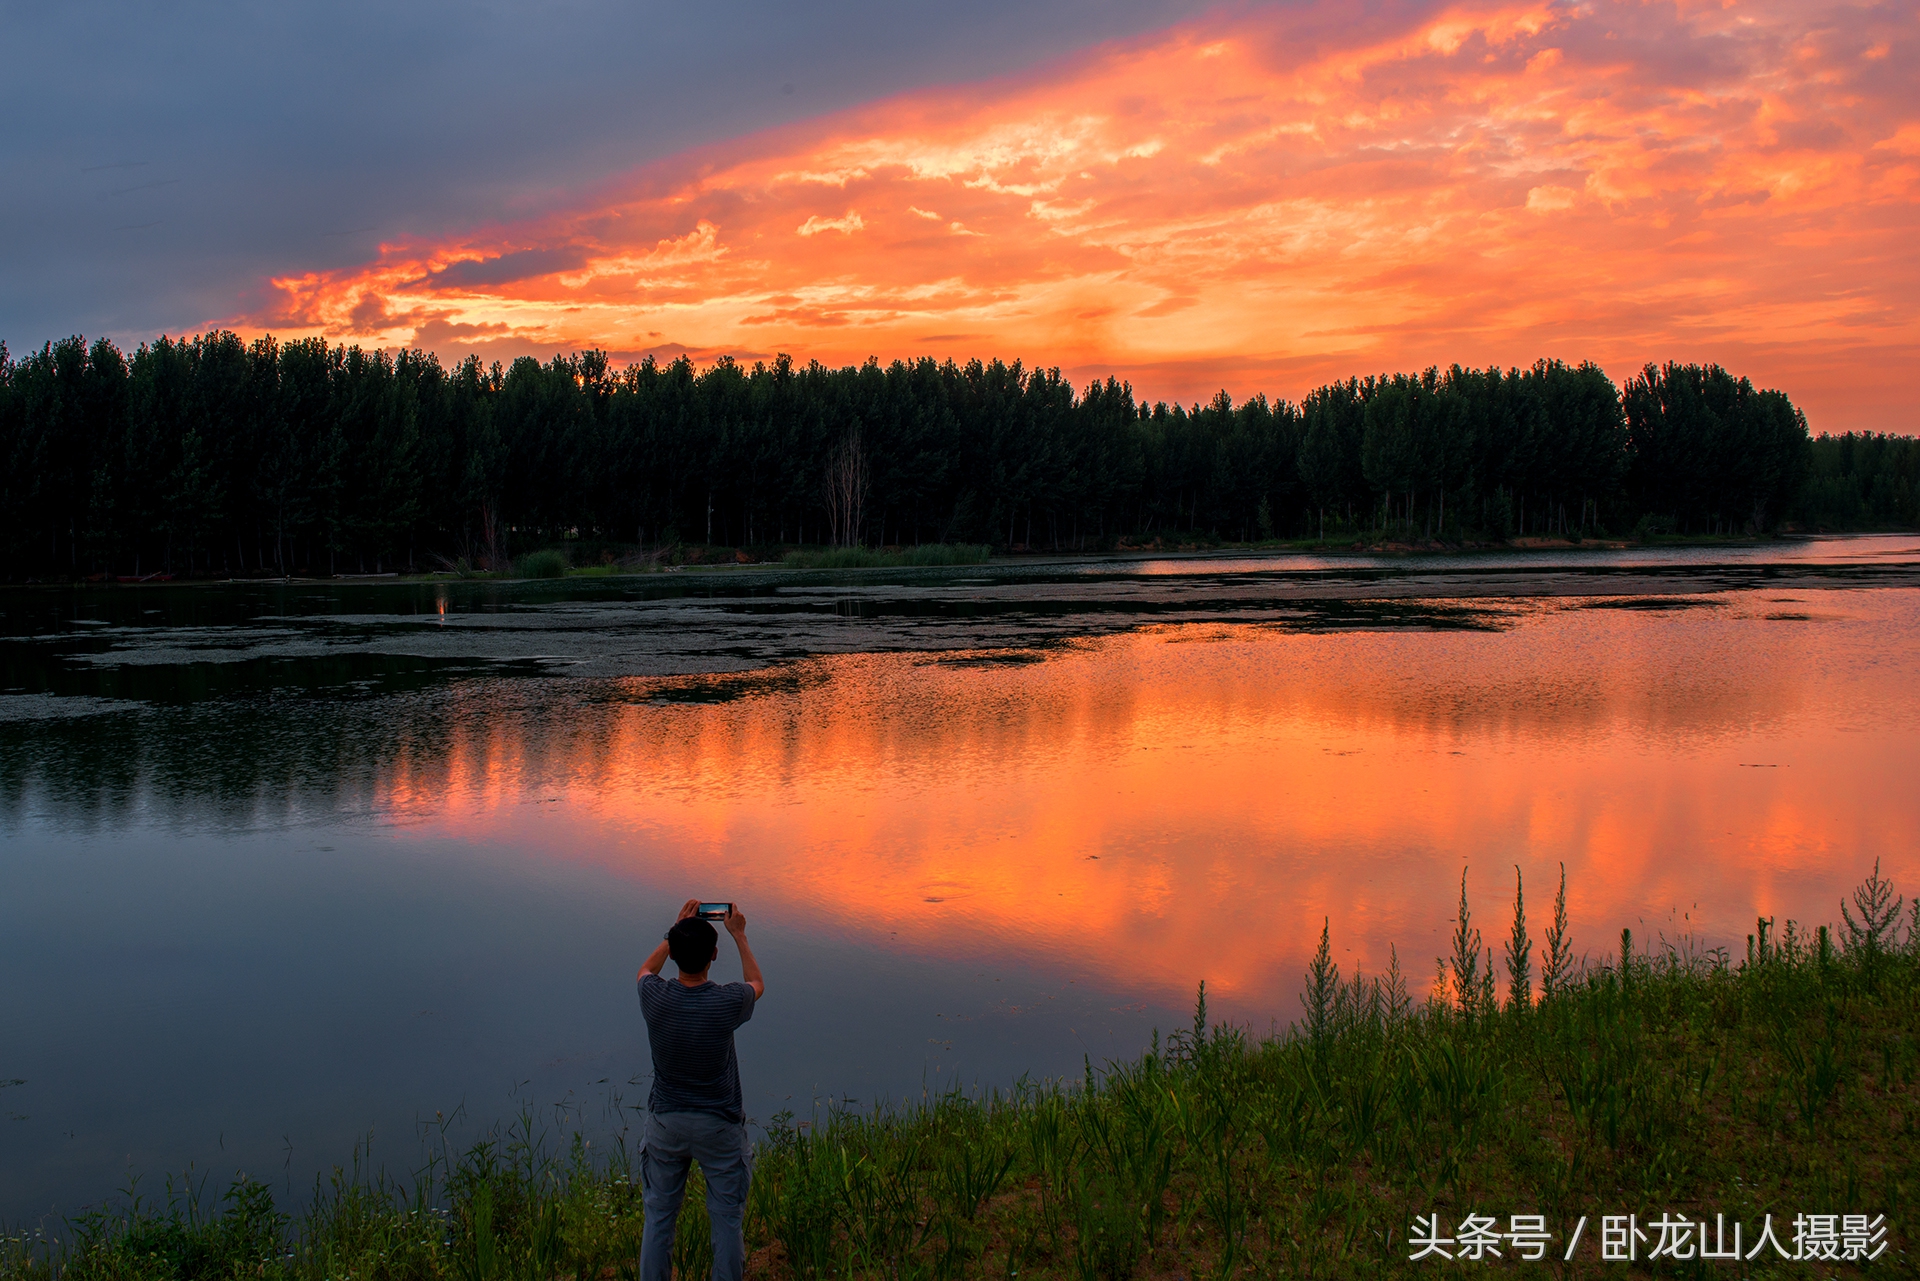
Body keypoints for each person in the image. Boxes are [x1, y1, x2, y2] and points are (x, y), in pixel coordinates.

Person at [635, 900, 765, 1281]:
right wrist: (740, 935)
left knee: (659, 1215)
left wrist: (673, 931)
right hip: (719, 1125)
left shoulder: (653, 997)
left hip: (666, 1124)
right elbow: (757, 984)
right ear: (713, 956)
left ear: (674, 954)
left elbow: (645, 970)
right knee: (726, 1218)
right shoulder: (726, 1001)